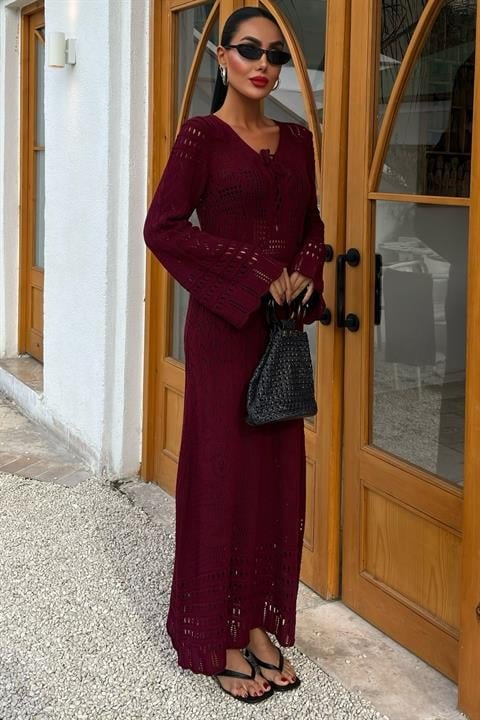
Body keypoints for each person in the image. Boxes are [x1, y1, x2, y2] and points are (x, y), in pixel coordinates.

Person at [143, 6, 326, 705]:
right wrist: (255, 270)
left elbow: (312, 224)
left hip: (279, 335)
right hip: (224, 333)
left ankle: (254, 623)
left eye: (276, 54)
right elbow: (163, 228)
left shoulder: (298, 140)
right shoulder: (201, 138)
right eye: (250, 49)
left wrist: (305, 268)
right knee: (221, 475)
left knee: (274, 479)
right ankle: (214, 634)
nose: (264, 64)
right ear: (221, 56)